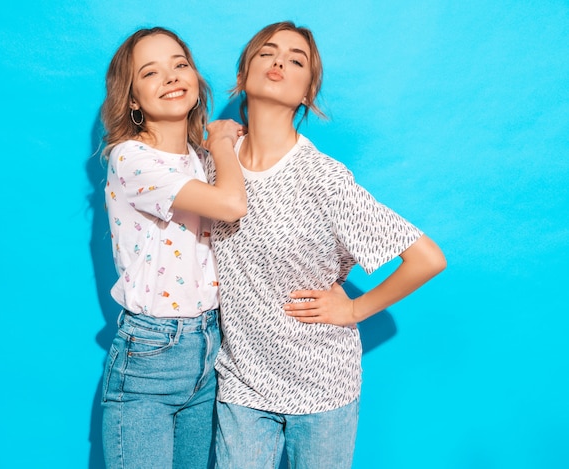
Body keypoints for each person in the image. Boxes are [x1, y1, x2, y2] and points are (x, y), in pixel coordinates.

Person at [205, 21, 447, 468]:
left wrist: (354, 309)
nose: (279, 61)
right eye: (267, 52)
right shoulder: (212, 162)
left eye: (296, 60)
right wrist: (218, 142)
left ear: (306, 95)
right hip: (241, 383)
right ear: (242, 76)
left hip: (322, 386)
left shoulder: (325, 179)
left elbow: (427, 258)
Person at [99, 27, 246, 469]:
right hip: (151, 354)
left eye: (179, 64)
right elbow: (232, 204)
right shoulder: (130, 158)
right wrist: (223, 142)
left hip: (209, 343)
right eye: (151, 72)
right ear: (132, 100)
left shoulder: (199, 161)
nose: (170, 76)